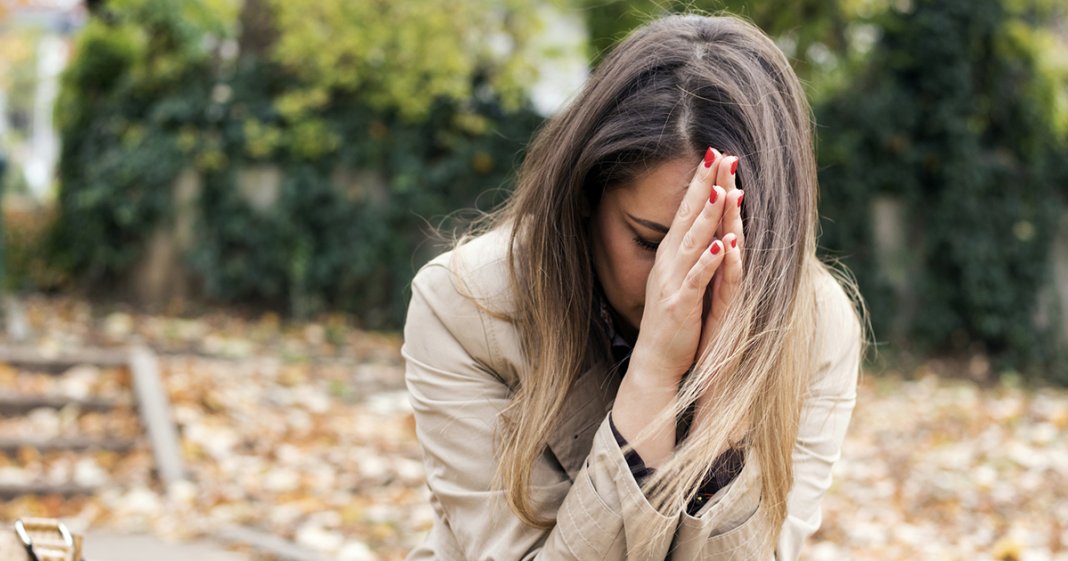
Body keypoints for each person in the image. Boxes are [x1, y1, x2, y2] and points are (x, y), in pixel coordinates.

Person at [402, 13, 865, 561]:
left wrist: (722, 397)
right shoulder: (466, 307)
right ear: (586, 197)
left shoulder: (814, 326)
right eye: (651, 242)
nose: (680, 284)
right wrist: (653, 376)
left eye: (725, 251)